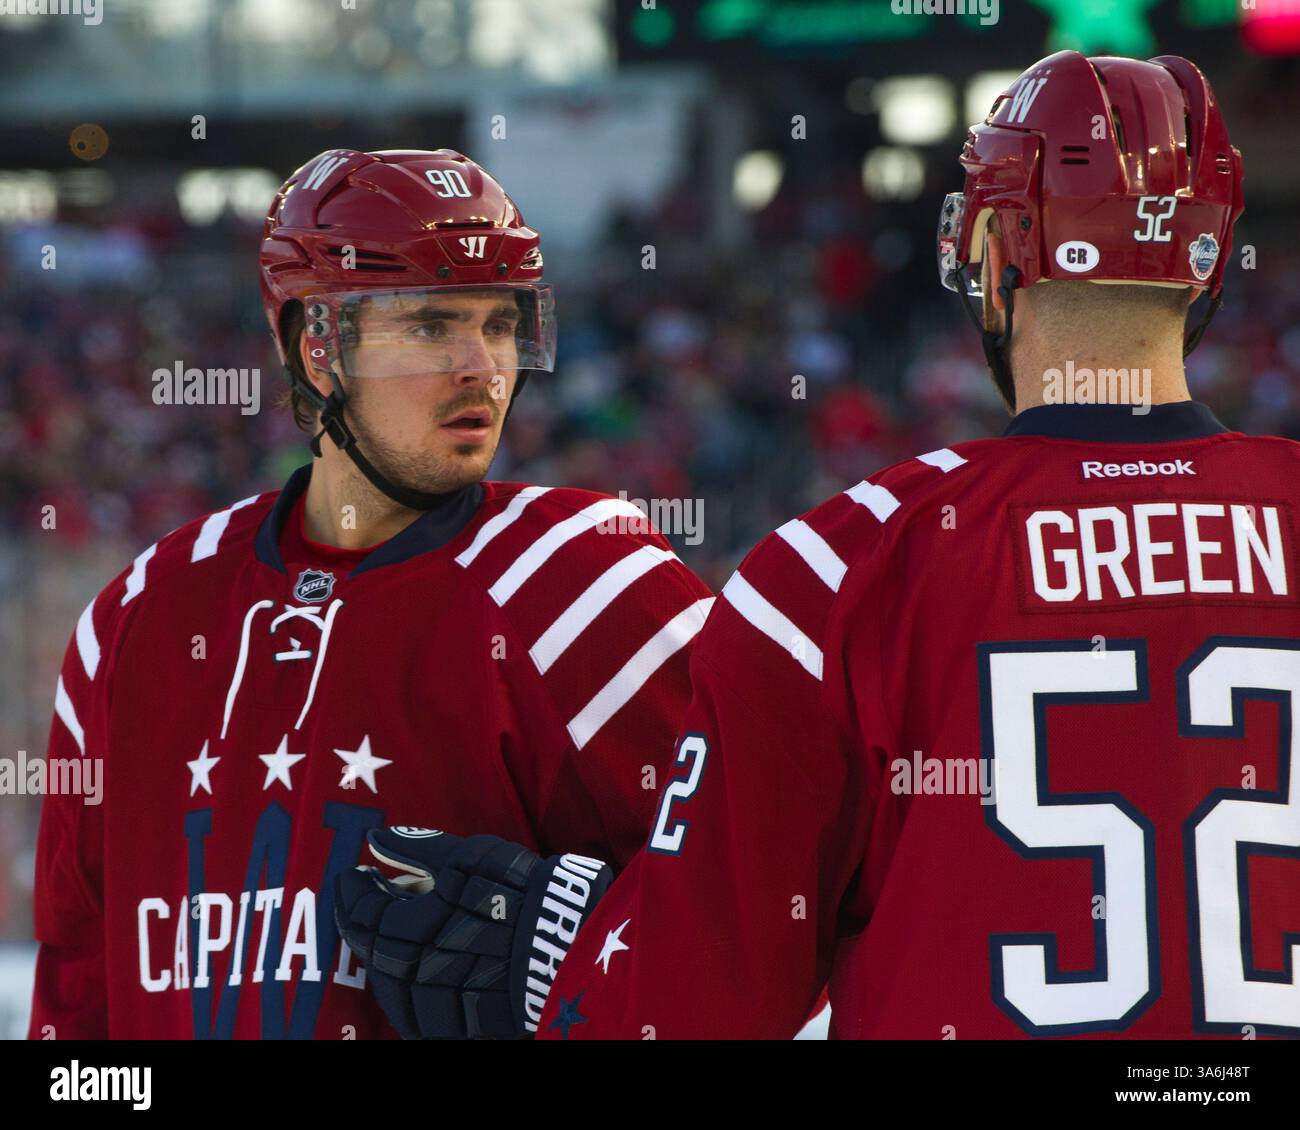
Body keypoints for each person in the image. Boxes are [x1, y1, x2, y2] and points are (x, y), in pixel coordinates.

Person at [338, 51, 1297, 1040]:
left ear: (995, 255)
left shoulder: (845, 562)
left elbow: (692, 1002)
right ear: (1210, 263)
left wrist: (552, 945)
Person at [27, 148, 713, 1039]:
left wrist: (576, 963)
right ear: (318, 348)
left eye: (499, 325)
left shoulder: (587, 579)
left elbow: (764, 920)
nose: (483, 369)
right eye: (431, 326)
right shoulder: (142, 613)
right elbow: (76, 1004)